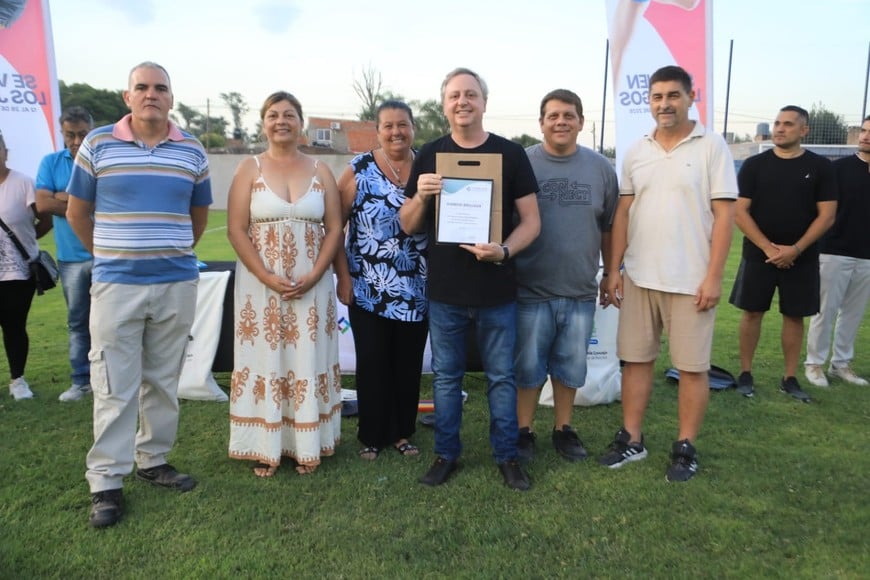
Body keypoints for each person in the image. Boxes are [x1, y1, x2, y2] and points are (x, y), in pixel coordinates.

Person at [67, 62, 212, 528]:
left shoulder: (192, 150)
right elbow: (77, 212)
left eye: (161, 88)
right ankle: (106, 481)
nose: (152, 94)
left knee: (164, 379)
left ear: (172, 97)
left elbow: (198, 216)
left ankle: (153, 460)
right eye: (142, 87)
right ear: (127, 96)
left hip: (175, 283)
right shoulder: (98, 144)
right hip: (116, 286)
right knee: (113, 382)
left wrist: (169, 253)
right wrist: (112, 255)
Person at [399, 67, 541, 491]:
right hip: (445, 291)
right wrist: (422, 195)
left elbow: (532, 222)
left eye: (471, 94)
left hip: (496, 289)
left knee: (501, 378)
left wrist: (503, 250)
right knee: (445, 378)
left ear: (484, 101)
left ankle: (507, 456)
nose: (463, 101)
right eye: (454, 95)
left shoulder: (511, 154)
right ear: (444, 104)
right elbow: (407, 224)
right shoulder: (429, 155)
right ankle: (446, 454)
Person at [598, 65, 737, 482]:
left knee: (693, 368)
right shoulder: (637, 150)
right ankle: (632, 438)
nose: (664, 104)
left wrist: (713, 277)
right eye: (657, 97)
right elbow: (624, 212)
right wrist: (615, 269)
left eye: (673, 96)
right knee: (635, 361)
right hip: (640, 276)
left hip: (691, 280)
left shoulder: (711, 145)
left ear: (691, 97)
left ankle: (685, 447)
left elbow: (725, 215)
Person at [226, 91, 343, 478]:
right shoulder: (248, 168)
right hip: (261, 289)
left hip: (313, 286)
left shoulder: (320, 170)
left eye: (289, 114)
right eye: (274, 115)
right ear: (263, 123)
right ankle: (266, 446)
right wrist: (266, 276)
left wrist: (315, 274)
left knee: (307, 359)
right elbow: (236, 229)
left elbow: (335, 227)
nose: (282, 121)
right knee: (266, 358)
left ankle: (308, 445)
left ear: (301, 122)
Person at [514, 89, 618, 463]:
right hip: (529, 288)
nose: (561, 122)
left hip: (578, 289)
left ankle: (563, 428)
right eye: (553, 115)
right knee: (527, 367)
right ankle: (523, 430)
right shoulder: (521, 163)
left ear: (581, 122)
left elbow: (610, 226)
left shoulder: (601, 168)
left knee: (571, 366)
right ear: (541, 122)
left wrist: (612, 272)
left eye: (569, 115)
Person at [335, 100, 428, 460]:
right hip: (368, 287)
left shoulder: (428, 166)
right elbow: (335, 227)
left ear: (413, 128)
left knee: (407, 366)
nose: (396, 132)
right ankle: (371, 435)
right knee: (373, 364)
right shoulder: (358, 170)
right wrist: (343, 278)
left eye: (402, 125)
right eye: (388, 126)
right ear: (377, 131)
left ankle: (403, 433)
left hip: (417, 288)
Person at [729, 105, 837, 402]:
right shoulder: (754, 165)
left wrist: (796, 249)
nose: (779, 128)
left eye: (788, 124)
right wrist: (768, 247)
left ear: (804, 131)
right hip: (758, 255)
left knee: (794, 316)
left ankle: (789, 378)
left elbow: (826, 215)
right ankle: (746, 373)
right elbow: (739, 211)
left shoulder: (820, 167)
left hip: (801, 257)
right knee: (752, 312)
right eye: (777, 123)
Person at [804, 115, 870, 387]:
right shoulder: (839, 169)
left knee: (853, 314)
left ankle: (841, 364)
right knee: (825, 311)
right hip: (834, 251)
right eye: (864, 131)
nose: (865, 136)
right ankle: (814, 364)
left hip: (867, 256)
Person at [35, 106, 95, 402]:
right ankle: (81, 381)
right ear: (62, 133)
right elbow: (43, 204)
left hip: (104, 254)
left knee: (112, 321)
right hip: (71, 259)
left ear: (91, 132)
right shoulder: (51, 162)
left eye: (82, 134)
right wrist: (80, 203)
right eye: (70, 134)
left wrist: (63, 196)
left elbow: (105, 202)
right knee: (77, 321)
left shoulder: (101, 159)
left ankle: (108, 380)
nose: (76, 140)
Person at [0, 131, 50, 400]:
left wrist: (29, 241)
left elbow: (45, 219)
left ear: (5, 152)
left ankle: (17, 380)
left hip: (18, 272)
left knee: (13, 325)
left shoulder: (23, 183)